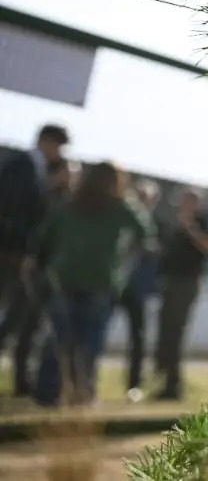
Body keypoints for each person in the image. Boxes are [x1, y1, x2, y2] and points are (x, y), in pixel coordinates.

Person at [37, 161, 153, 405]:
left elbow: (44, 235)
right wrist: (124, 257)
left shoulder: (70, 203)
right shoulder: (121, 206)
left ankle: (48, 393)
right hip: (102, 279)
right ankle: (83, 393)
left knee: (59, 338)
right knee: (90, 341)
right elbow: (146, 233)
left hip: (65, 277)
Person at [0, 124, 70, 396]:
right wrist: (21, 251)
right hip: (11, 252)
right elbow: (15, 210)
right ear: (47, 142)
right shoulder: (22, 166)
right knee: (20, 313)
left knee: (22, 315)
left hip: (19, 253)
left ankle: (21, 378)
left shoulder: (35, 169)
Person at [153, 188, 208, 400]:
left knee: (176, 332)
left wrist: (190, 228)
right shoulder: (175, 225)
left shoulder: (204, 223)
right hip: (170, 282)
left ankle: (174, 386)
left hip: (187, 283)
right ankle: (163, 382)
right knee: (165, 333)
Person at [119, 178, 161, 402]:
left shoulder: (155, 227)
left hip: (138, 291)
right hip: (114, 286)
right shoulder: (120, 222)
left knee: (138, 338)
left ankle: (134, 385)